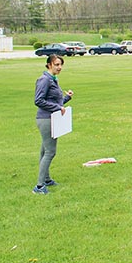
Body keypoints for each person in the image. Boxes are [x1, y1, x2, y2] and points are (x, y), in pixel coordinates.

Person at [33, 54, 74, 194]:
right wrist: (57, 108)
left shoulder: (53, 79)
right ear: (49, 64)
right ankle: (39, 186)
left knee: (44, 150)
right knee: (50, 151)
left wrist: (66, 98)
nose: (60, 67)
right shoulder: (44, 80)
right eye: (56, 64)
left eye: (61, 64)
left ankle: (46, 179)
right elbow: (38, 100)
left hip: (52, 118)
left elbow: (56, 103)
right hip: (46, 119)